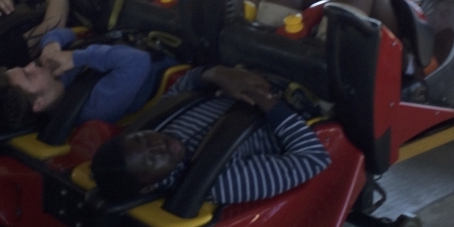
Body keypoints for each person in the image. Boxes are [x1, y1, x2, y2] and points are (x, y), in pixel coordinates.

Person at [90, 65, 330, 205]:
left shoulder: (159, 125)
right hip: (307, 95)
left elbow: (184, 85)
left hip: (259, 67)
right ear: (147, 187)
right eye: (152, 160)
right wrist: (267, 103)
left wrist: (216, 74)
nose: (158, 144)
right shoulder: (219, 181)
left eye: (142, 138)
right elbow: (313, 159)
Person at [0, 28, 175, 133]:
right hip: (170, 52)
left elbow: (67, 33)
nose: (32, 66)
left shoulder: (51, 74)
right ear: (38, 104)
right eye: (28, 74)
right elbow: (138, 61)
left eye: (24, 67)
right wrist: (76, 57)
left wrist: (51, 44)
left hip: (138, 31)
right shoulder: (94, 107)